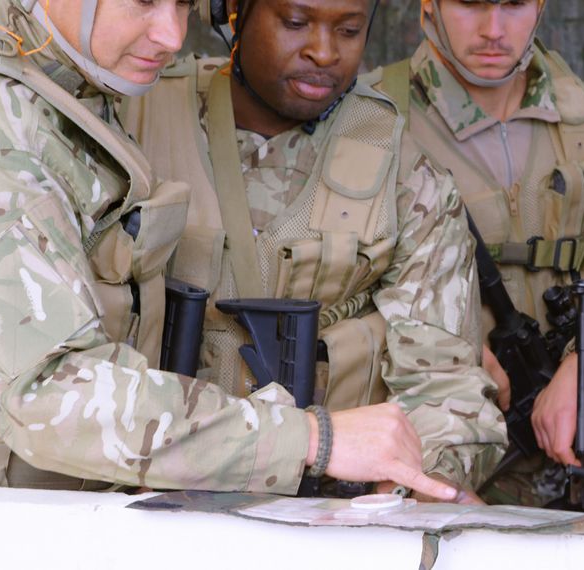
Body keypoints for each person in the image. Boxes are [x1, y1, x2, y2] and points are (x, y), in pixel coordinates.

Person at [0, 0, 458, 502]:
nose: (171, 35)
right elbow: (47, 394)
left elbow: (447, 381)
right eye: (144, 2)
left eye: (183, 4)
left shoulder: (69, 91)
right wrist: (312, 439)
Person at [121, 0, 507, 502]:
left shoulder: (404, 173)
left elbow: (445, 386)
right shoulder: (131, 119)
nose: (323, 52)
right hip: (141, 492)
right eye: (295, 23)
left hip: (335, 513)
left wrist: (415, 484)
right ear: (234, 11)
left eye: (349, 30)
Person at [377, 0, 584, 506]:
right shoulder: (377, 116)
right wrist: (446, 352)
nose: (493, 30)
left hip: (583, 453)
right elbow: (335, 299)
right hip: (436, 455)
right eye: (470, 4)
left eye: (513, 5)